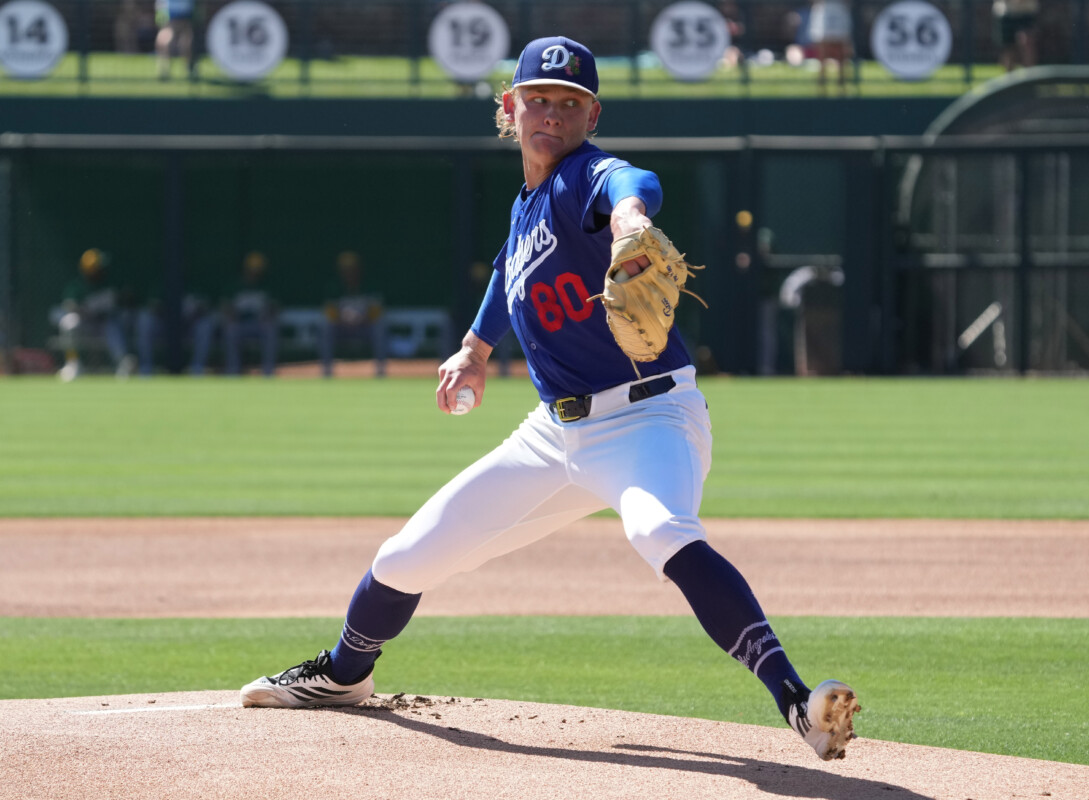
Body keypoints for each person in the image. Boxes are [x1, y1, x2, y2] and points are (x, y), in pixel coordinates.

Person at [238, 36, 861, 762]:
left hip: (647, 416)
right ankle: (345, 676)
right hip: (553, 435)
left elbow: (635, 181)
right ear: (510, 108)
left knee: (660, 531)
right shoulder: (527, 207)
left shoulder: (584, 179)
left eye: (570, 103)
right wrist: (475, 349)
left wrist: (630, 220)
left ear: (591, 116)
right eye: (538, 99)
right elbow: (510, 269)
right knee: (406, 556)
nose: (552, 114)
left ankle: (795, 702)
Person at [55, 248, 137, 382]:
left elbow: (126, 297)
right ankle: (73, 364)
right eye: (99, 267)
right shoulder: (78, 285)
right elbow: (69, 305)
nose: (102, 270)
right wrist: (86, 310)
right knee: (68, 323)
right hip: (86, 323)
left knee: (113, 326)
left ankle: (123, 364)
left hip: (104, 324)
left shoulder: (109, 282)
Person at [318, 251, 387, 378]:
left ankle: (380, 370)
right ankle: (326, 371)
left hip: (364, 327)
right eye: (346, 270)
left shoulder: (370, 285)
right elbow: (329, 312)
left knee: (379, 327)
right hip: (341, 327)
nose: (349, 273)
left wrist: (362, 318)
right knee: (326, 327)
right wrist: (343, 318)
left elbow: (377, 309)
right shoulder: (333, 287)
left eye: (352, 269)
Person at [220, 251, 278, 377]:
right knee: (231, 329)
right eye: (252, 270)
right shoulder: (235, 286)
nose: (254, 273)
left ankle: (268, 372)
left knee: (270, 328)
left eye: (257, 270)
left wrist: (269, 314)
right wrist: (231, 315)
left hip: (259, 324)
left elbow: (275, 307)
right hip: (240, 324)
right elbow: (225, 307)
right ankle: (233, 371)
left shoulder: (266, 286)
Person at [134, 287, 215, 376]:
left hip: (190, 325)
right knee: (144, 320)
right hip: (164, 324)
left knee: (205, 325)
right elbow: (152, 305)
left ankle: (197, 367)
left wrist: (195, 310)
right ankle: (146, 367)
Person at [807, 0, 853, 94]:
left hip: (840, 8)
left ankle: (841, 87)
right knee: (822, 50)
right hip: (823, 9)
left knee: (841, 50)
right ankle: (821, 87)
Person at [993, 0, 1039, 72]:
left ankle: (1030, 76)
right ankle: (1009, 79)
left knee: (1027, 44)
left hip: (1026, 12)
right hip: (1006, 12)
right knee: (1008, 49)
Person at [154, 0, 195, 80]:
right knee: (163, 42)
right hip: (169, 24)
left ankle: (189, 69)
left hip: (184, 24)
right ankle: (164, 70)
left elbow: (190, 13)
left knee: (186, 45)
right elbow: (160, 12)